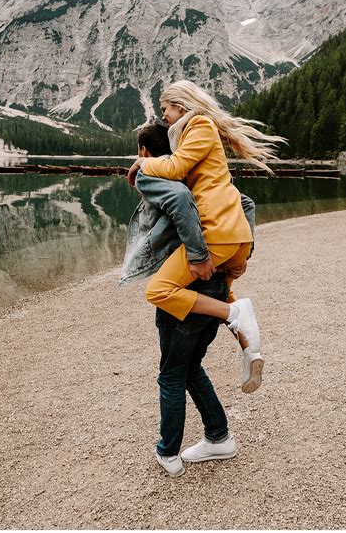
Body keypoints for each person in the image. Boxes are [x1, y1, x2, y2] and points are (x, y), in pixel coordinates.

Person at [121, 122, 262, 476]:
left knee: (171, 373)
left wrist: (198, 256)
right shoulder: (196, 174)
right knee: (190, 367)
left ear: (143, 151)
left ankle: (168, 452)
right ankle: (219, 437)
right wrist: (241, 255)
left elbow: (180, 203)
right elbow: (245, 201)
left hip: (190, 285)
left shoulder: (156, 175)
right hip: (214, 280)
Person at [127, 81, 285, 355]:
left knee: (158, 290)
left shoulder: (199, 125)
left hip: (217, 231)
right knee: (220, 288)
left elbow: (176, 169)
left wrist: (143, 162)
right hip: (234, 235)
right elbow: (244, 200)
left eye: (165, 108)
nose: (163, 115)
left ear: (180, 105)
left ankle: (233, 314)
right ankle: (251, 351)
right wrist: (245, 253)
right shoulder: (192, 135)